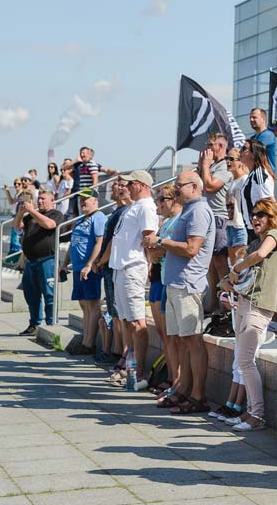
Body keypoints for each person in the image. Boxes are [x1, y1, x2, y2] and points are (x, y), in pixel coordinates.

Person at [145, 171, 215, 414]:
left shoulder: (199, 211)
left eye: (179, 185)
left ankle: (198, 395)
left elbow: (192, 248)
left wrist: (162, 242)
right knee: (182, 340)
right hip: (175, 283)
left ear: (194, 187)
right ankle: (183, 388)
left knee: (193, 340)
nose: (175, 189)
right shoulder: (188, 210)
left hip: (188, 283)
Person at [220, 198, 277, 431]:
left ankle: (257, 415)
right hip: (245, 302)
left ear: (271, 217)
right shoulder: (256, 241)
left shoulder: (274, 236)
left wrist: (235, 269)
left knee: (246, 360)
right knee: (243, 360)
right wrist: (227, 280)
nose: (255, 218)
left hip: (259, 305)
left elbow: (259, 255)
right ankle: (250, 412)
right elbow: (244, 268)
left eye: (261, 214)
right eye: (253, 214)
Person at [108, 170, 158, 391]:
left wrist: (149, 264)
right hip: (120, 267)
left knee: (137, 321)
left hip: (132, 267)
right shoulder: (134, 206)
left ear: (142, 185)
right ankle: (130, 369)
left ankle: (140, 372)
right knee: (126, 321)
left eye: (131, 184)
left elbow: (149, 238)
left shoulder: (146, 206)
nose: (126, 187)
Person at [15, 190, 65, 335]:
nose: (40, 201)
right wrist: (21, 213)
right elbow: (17, 226)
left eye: (43, 199)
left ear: (52, 200)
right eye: (39, 199)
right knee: (31, 295)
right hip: (31, 261)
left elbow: (49, 225)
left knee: (49, 295)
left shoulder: (56, 214)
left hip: (47, 260)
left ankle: (51, 324)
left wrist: (32, 211)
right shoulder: (31, 216)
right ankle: (34, 324)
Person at [149, 184, 182, 400]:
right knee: (166, 335)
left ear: (173, 199)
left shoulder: (179, 220)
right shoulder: (166, 222)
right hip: (162, 277)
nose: (159, 203)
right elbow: (154, 254)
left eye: (162, 199)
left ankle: (177, 381)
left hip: (172, 280)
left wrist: (158, 246)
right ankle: (171, 379)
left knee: (175, 337)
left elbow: (164, 248)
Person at [64, 190, 107, 355]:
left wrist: (90, 264)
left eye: (86, 199)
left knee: (92, 304)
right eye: (81, 199)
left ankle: (89, 343)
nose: (82, 202)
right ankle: (85, 340)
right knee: (83, 304)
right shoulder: (81, 219)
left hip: (88, 268)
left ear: (95, 200)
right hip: (77, 267)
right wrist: (64, 263)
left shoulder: (99, 218)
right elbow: (73, 242)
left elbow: (99, 242)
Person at [93, 180, 129, 365]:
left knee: (118, 312)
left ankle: (119, 352)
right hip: (109, 266)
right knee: (114, 312)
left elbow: (113, 241)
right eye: (116, 184)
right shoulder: (116, 211)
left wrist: (101, 260)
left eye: (120, 184)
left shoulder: (124, 212)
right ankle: (116, 350)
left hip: (113, 265)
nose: (115, 187)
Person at [198, 132, 232, 311]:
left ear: (220, 146)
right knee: (210, 262)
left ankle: (225, 304)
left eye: (211, 145)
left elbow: (210, 186)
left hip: (219, 217)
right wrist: (202, 166)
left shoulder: (224, 166)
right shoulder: (212, 165)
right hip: (208, 217)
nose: (207, 148)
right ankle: (213, 301)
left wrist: (205, 166)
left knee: (220, 261)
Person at [237, 139, 276, 243]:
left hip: (261, 231)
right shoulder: (252, 174)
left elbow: (269, 201)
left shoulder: (259, 174)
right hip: (253, 229)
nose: (240, 151)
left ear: (253, 154)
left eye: (244, 148)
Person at [224, 147, 249, 265]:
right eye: (226, 158)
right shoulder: (232, 181)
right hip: (230, 224)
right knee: (233, 263)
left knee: (240, 262)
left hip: (240, 225)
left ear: (240, 161)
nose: (228, 161)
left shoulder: (245, 180)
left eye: (231, 159)